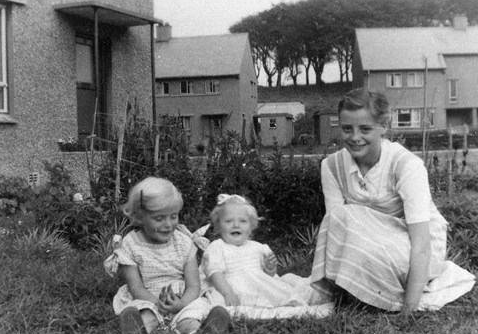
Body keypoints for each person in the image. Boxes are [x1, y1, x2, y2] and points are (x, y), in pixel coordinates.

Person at [311, 88, 475, 314]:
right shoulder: (331, 166)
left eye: (365, 129)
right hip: (371, 242)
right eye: (347, 128)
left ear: (384, 127)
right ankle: (352, 294)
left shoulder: (406, 165)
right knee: (337, 217)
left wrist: (409, 308)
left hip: (415, 246)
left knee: (346, 218)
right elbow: (337, 231)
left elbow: (421, 244)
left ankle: (384, 295)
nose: (355, 137)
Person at [109, 177, 230, 334]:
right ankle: (140, 332)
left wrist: (182, 303)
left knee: (191, 314)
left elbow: (193, 285)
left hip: (181, 297)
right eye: (159, 218)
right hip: (148, 297)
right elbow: (136, 287)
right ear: (140, 217)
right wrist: (157, 303)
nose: (168, 224)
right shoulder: (131, 244)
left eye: (173, 216)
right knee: (145, 313)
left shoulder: (184, 243)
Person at [201, 194, 327, 308]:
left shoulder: (257, 247)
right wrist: (227, 293)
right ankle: (295, 300)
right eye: (228, 221)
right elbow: (215, 273)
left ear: (251, 226)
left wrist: (270, 268)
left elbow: (269, 276)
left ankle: (311, 295)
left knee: (282, 285)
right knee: (271, 294)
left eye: (243, 221)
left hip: (260, 283)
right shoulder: (217, 246)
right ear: (218, 225)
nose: (236, 225)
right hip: (236, 288)